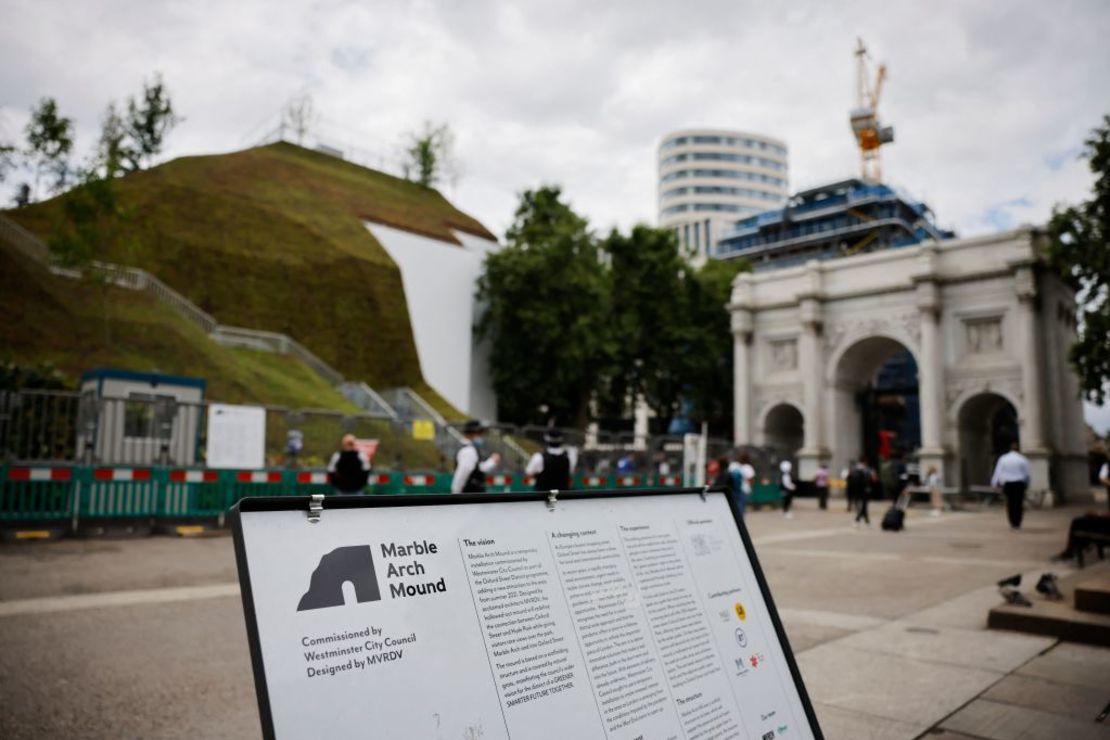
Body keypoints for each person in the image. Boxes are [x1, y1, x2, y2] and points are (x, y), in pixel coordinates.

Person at [451, 420, 501, 494]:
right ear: (470, 434)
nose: (481, 436)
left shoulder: (471, 449)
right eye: (479, 433)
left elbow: (478, 468)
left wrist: (492, 461)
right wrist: (456, 495)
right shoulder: (468, 451)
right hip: (470, 495)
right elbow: (462, 475)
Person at [991, 442, 1031, 530]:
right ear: (1018, 449)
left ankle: (1012, 522)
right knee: (1019, 503)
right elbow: (1027, 474)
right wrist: (1027, 483)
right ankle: (1018, 522)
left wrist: (994, 483)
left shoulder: (1003, 458)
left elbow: (998, 471)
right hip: (1019, 483)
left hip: (1008, 484)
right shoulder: (1022, 459)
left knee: (1010, 503)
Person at [849, 461, 871, 527]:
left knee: (863, 508)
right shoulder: (865, 473)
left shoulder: (854, 474)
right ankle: (862, 521)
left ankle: (865, 522)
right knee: (863, 508)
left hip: (857, 493)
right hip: (864, 492)